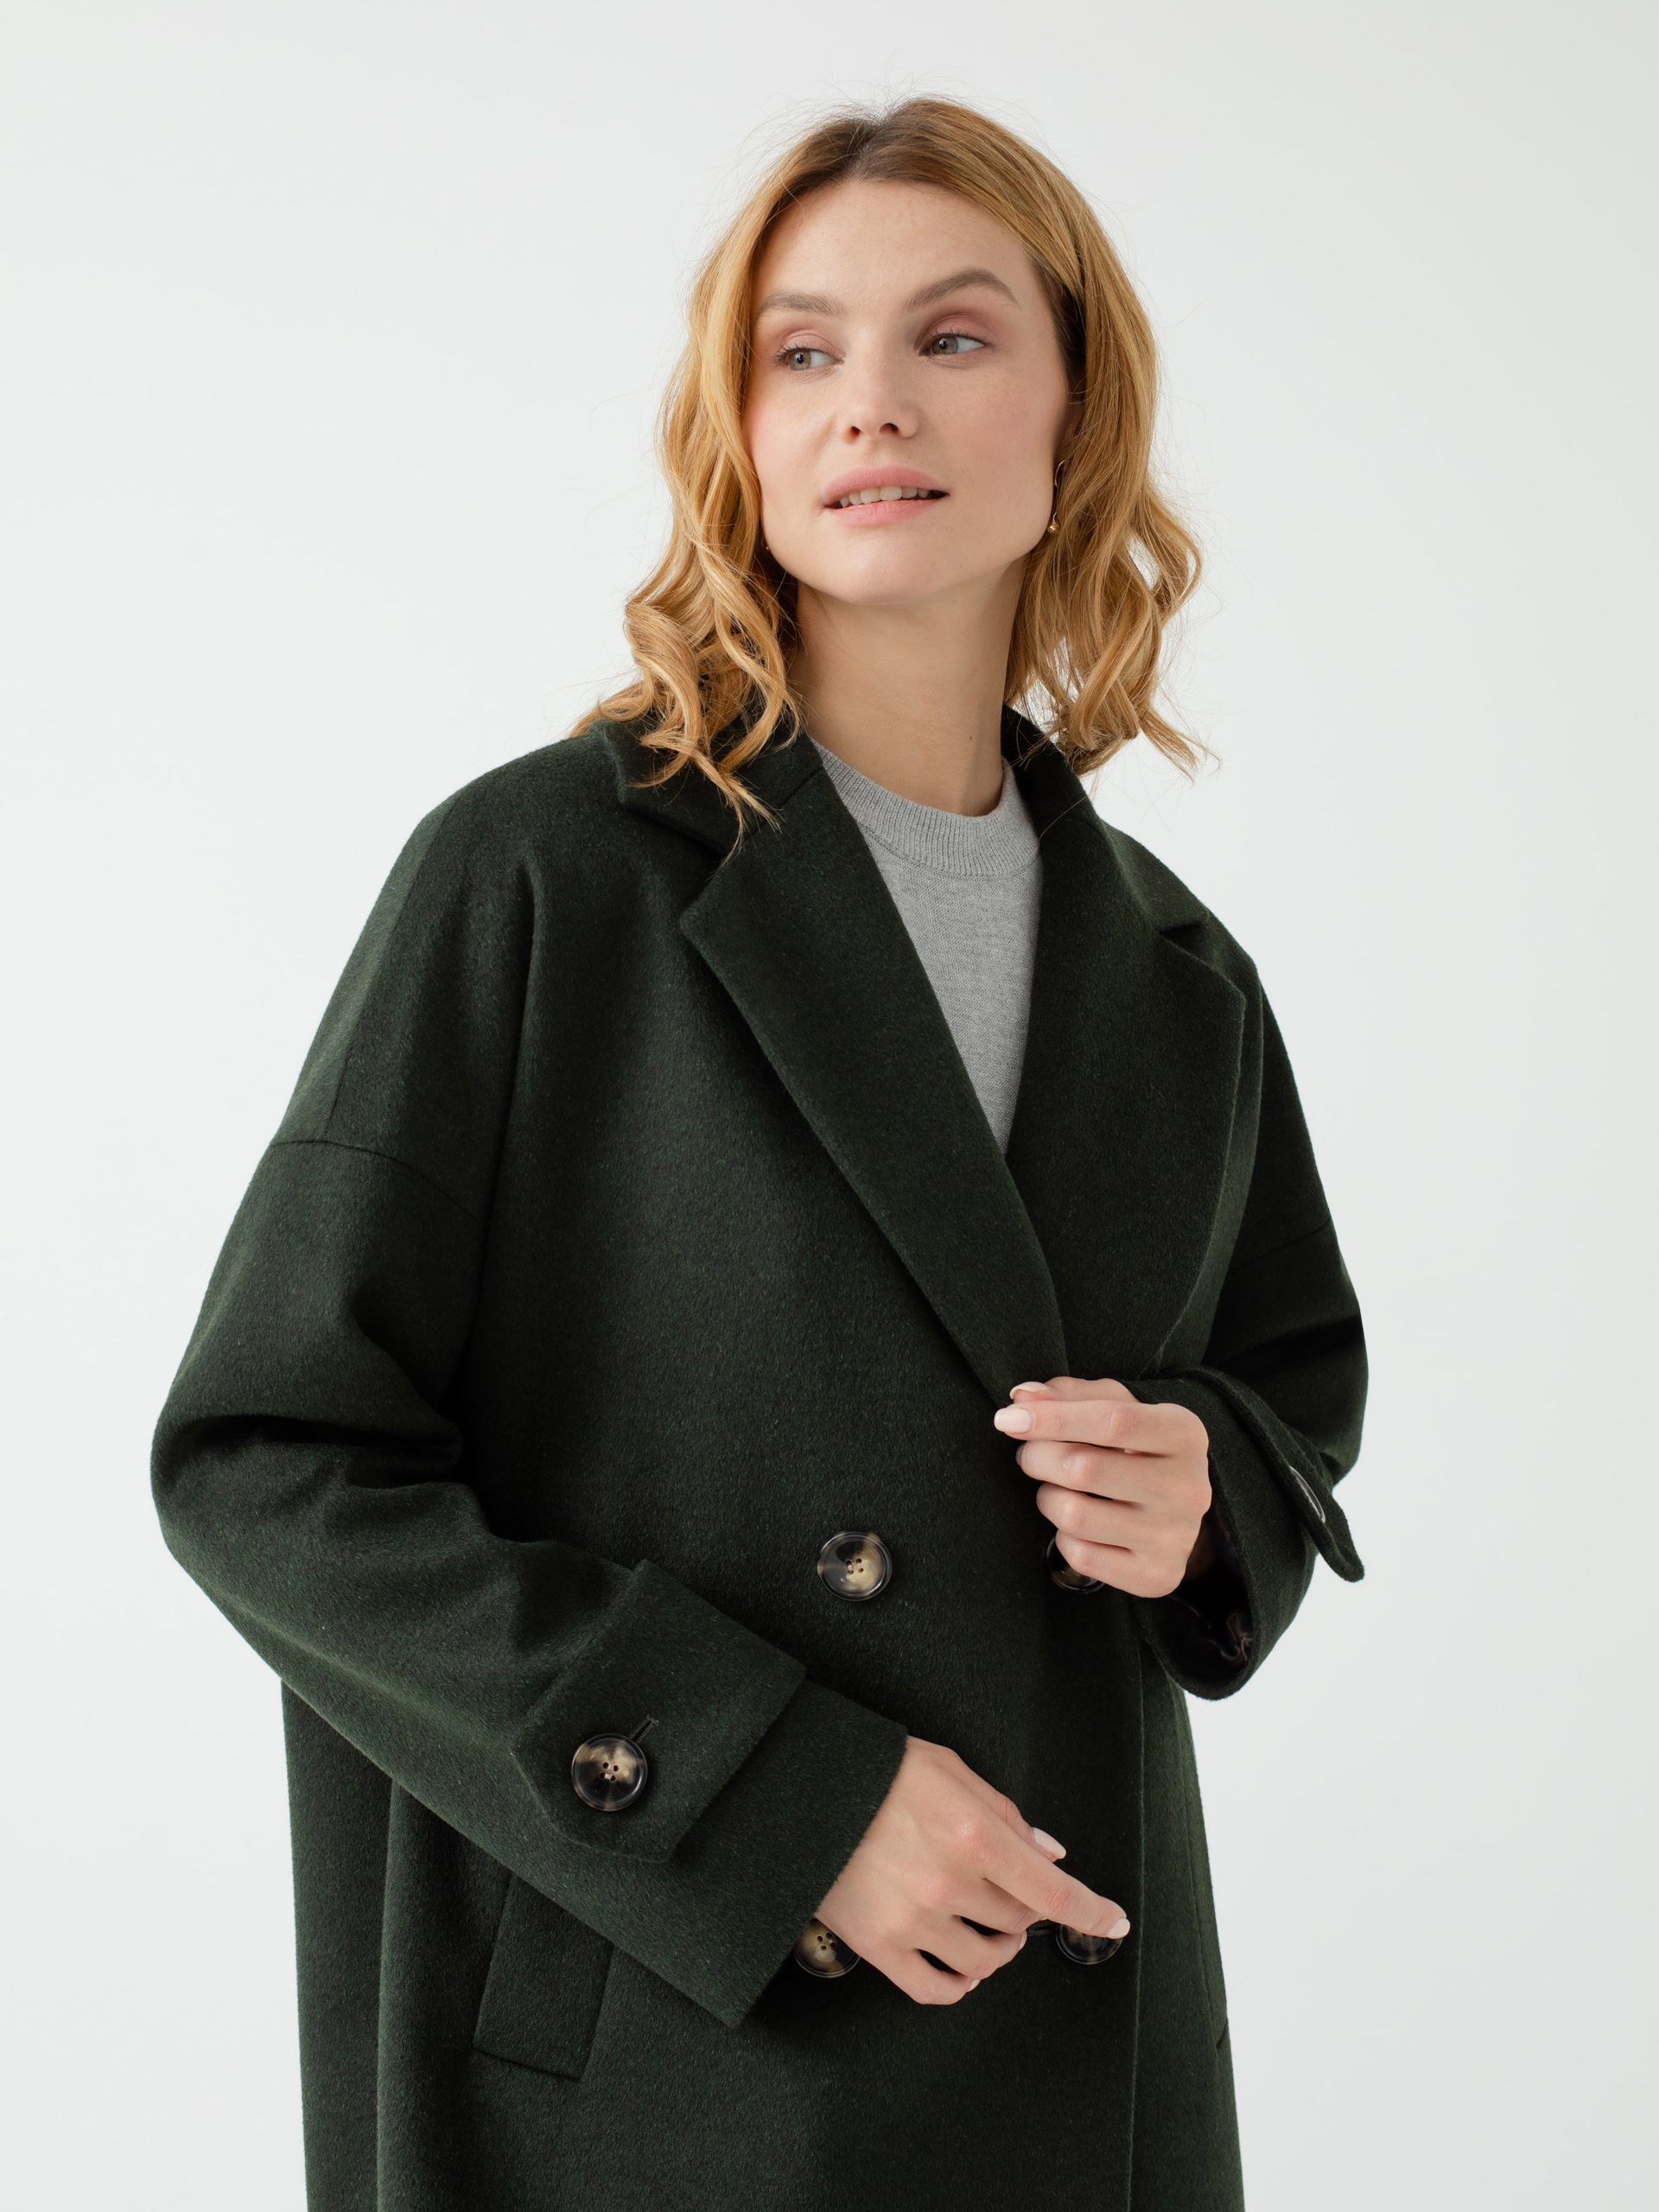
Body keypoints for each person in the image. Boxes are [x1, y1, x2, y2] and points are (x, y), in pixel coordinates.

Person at [153, 95, 1366, 2212]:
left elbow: (1286, 1387)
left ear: (1077, 408)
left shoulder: (1181, 974)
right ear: (740, 427)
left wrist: (1208, 1483)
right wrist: (770, 1798)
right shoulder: (543, 875)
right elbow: (268, 1460)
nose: (871, 400)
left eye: (954, 336)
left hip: (1072, 2048)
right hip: (657, 2055)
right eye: (802, 351)